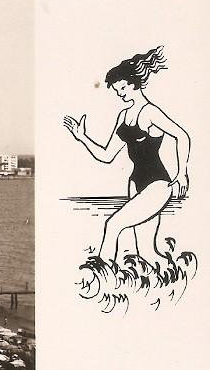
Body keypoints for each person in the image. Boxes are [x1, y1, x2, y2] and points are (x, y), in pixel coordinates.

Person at [64, 46, 190, 265]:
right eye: (116, 90)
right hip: (135, 182)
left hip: (158, 184)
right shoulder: (124, 115)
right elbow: (106, 155)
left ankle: (101, 276)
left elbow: (183, 136)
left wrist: (182, 174)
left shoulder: (149, 112)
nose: (120, 94)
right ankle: (171, 271)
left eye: (121, 88)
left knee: (113, 225)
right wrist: (81, 137)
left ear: (133, 84)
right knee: (146, 253)